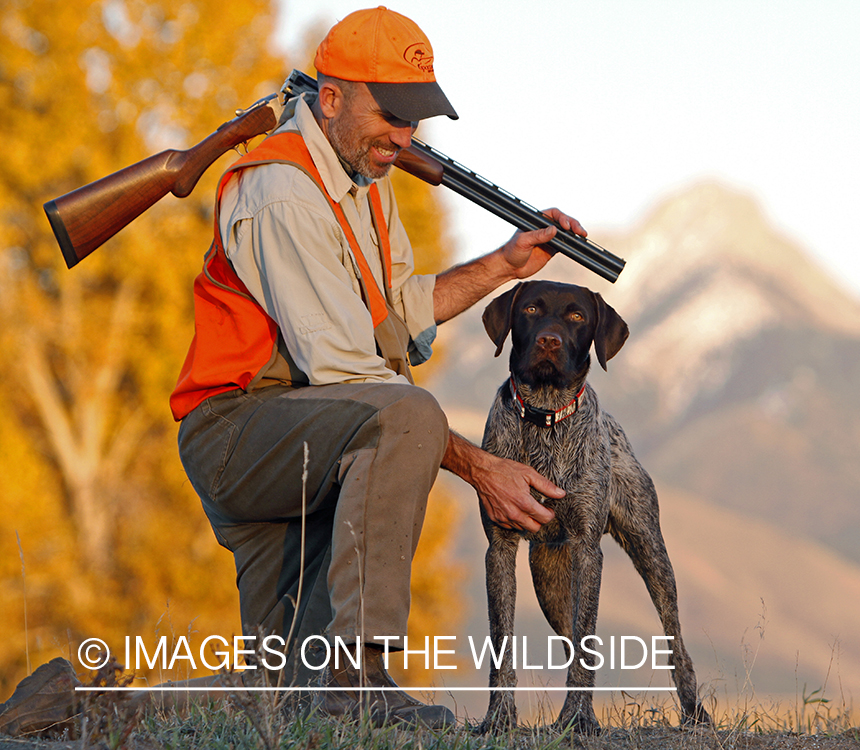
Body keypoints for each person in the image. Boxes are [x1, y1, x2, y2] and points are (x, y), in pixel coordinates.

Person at [167, 5, 581, 729]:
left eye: (415, 120)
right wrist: (481, 468)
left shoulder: (364, 182)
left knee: (280, 703)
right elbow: (351, 376)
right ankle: (360, 671)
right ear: (330, 100)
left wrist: (504, 266)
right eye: (390, 115)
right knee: (408, 411)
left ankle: (62, 706)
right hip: (239, 435)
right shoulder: (282, 190)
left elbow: (396, 316)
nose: (404, 137)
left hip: (305, 436)